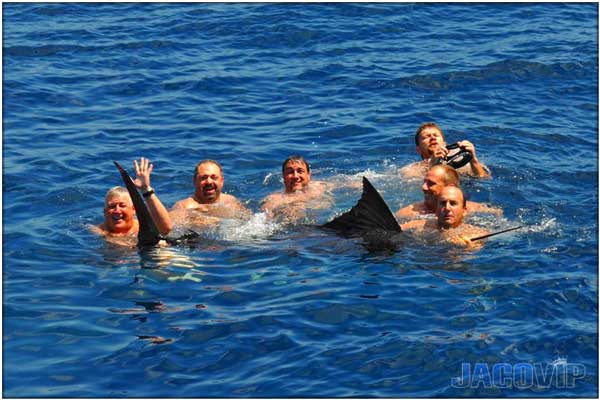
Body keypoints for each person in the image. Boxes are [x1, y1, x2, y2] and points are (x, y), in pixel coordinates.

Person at [92, 158, 173, 244]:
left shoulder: (143, 227)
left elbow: (165, 229)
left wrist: (145, 190)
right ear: (104, 211)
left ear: (134, 210)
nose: (117, 210)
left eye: (122, 205)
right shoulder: (99, 231)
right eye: (112, 206)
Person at [395, 164, 501, 219]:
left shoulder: (473, 209)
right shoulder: (409, 213)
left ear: (450, 187)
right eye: (424, 182)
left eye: (431, 184)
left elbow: (498, 214)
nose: (423, 187)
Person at [400, 185, 489, 248]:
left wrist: (466, 249)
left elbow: (474, 252)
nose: (447, 208)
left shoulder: (477, 234)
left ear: (464, 211)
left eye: (453, 203)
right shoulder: (416, 226)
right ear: (436, 210)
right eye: (442, 203)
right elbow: (392, 233)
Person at [170, 159, 251, 226]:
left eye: (214, 177)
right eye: (203, 178)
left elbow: (249, 220)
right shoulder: (185, 206)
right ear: (194, 181)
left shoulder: (230, 201)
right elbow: (168, 224)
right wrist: (195, 221)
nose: (209, 181)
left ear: (222, 181)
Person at [260, 155, 335, 223]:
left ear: (308, 175)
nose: (295, 176)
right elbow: (264, 221)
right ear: (283, 176)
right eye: (290, 172)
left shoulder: (319, 187)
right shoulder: (275, 200)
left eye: (300, 171)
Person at [400, 122, 490, 179]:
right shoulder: (412, 169)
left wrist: (473, 160)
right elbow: (409, 182)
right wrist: (432, 164)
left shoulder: (462, 162)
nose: (432, 138)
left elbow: (483, 178)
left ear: (445, 143)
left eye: (436, 135)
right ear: (418, 150)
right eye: (426, 137)